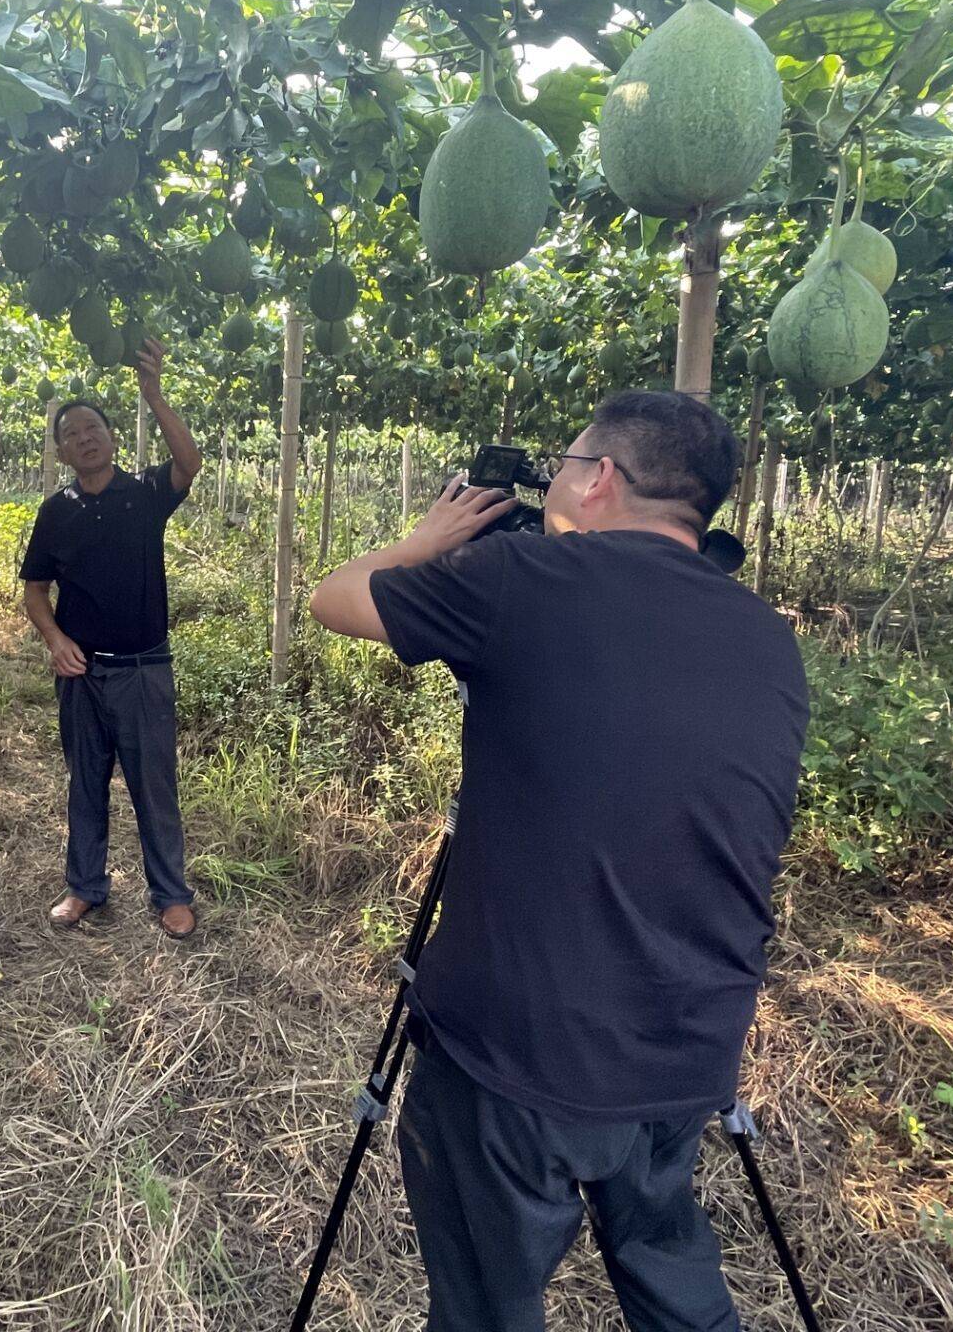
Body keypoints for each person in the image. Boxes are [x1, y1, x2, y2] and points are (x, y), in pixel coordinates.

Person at [309, 391, 810, 1332]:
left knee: (486, 1303)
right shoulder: (768, 638)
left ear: (602, 479)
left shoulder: (524, 579)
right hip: (687, 1042)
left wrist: (429, 537)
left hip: (520, 1046)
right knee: (666, 1264)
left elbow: (333, 598)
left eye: (565, 467)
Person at [21, 337, 205, 939]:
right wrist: (53, 640)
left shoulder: (145, 494)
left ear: (111, 436)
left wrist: (153, 394)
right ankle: (84, 888)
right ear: (61, 451)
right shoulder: (56, 511)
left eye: (92, 427)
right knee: (86, 782)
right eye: (71, 433)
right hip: (83, 674)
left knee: (154, 785)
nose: (84, 437)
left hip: (144, 667)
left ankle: (171, 894)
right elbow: (34, 592)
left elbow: (190, 462)